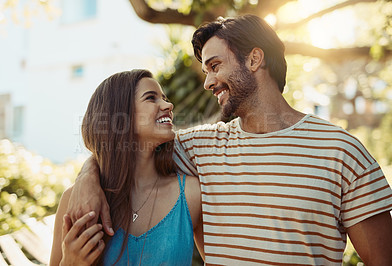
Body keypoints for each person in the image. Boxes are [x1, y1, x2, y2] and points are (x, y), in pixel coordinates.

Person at [67, 15, 392, 265]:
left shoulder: (341, 151)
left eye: (215, 65)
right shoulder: (197, 149)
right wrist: (87, 179)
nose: (208, 82)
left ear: (253, 60)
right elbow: (129, 147)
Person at [49, 70, 203, 265]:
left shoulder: (190, 194)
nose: (168, 105)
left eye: (164, 98)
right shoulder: (76, 200)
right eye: (151, 98)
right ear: (120, 117)